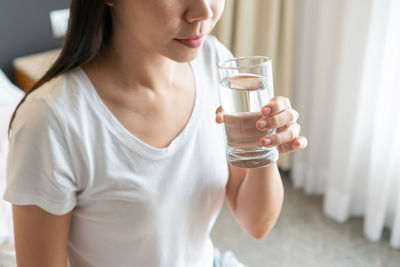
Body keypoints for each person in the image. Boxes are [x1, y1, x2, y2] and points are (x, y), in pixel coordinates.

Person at [3, 0, 307, 266]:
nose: (203, 10)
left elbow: (257, 223)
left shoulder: (215, 63)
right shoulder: (51, 121)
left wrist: (264, 147)